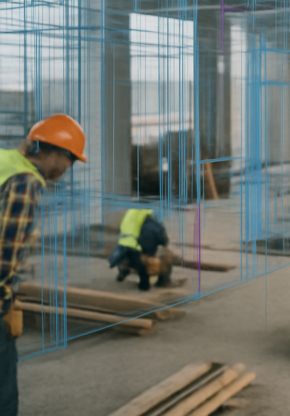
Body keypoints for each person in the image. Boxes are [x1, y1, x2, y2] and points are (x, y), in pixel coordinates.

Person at [0, 114, 87, 416]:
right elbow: (5, 252)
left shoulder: (4, 161)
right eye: (70, 159)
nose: (67, 168)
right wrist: (4, 301)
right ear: (51, 151)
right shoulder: (26, 182)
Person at [108, 208, 172, 291]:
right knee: (166, 256)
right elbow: (163, 240)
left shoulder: (131, 219)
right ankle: (160, 282)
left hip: (126, 250)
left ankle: (123, 271)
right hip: (144, 254)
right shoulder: (153, 225)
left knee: (129, 255)